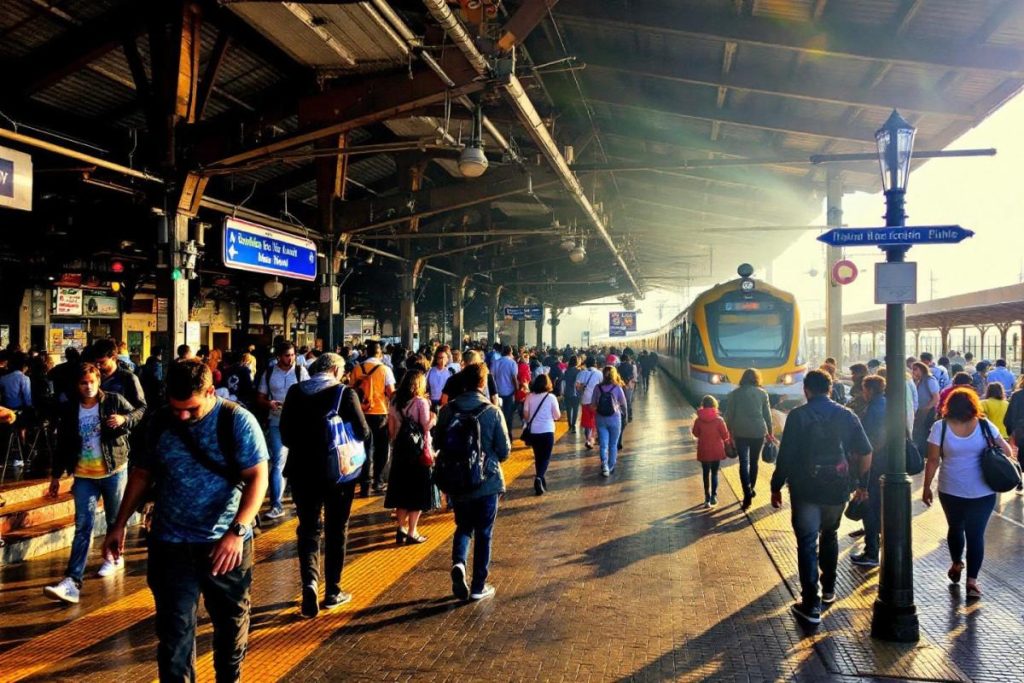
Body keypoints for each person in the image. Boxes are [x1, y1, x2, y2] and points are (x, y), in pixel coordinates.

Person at [103, 359, 268, 682]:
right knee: (173, 633)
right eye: (176, 407)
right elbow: (141, 473)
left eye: (190, 409)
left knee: (230, 626)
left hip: (225, 545)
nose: (182, 415)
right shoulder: (160, 420)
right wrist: (119, 523)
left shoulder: (236, 421)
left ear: (210, 391)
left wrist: (238, 531)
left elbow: (257, 477)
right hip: (170, 544)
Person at [770, 369, 872, 625]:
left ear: (806, 390)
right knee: (830, 535)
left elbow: (786, 456)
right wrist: (862, 484)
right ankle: (829, 589)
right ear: (830, 389)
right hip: (838, 488)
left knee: (807, 542)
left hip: (805, 489)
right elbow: (866, 450)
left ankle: (810, 604)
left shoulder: (798, 416)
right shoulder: (846, 415)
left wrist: (776, 485)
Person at [280, 353, 369, 618]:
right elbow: (364, 432)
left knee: (308, 530)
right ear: (333, 370)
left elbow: (285, 433)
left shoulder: (296, 392)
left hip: (300, 471)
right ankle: (333, 590)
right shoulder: (344, 393)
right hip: (338, 474)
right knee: (336, 529)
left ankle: (309, 583)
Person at [42, 364, 138, 604]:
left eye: (92, 382)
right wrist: (56, 476)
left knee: (115, 520)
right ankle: (72, 581)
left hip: (113, 470)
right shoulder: (71, 410)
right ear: (78, 385)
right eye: (83, 383)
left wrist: (124, 419)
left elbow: (141, 411)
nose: (88, 386)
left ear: (98, 381)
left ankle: (114, 558)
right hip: (84, 475)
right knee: (83, 525)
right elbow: (63, 444)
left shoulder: (114, 401)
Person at [924, 387, 1012, 599]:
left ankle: (956, 563)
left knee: (955, 528)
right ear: (974, 405)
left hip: (950, 489)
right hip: (983, 491)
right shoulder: (984, 425)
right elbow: (1008, 452)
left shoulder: (940, 427)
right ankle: (972, 582)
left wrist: (927, 487)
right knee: (976, 535)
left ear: (949, 405)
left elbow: (933, 460)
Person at [435, 363, 510, 602]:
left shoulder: (448, 410)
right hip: (487, 482)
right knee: (484, 533)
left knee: (463, 527)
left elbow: (437, 442)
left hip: (458, 480)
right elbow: (505, 450)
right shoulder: (492, 411)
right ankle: (479, 585)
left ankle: (459, 563)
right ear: (483, 383)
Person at [257, 342, 309, 519]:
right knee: (278, 461)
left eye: (293, 354)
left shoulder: (300, 371)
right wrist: (269, 403)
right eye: (287, 355)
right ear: (279, 356)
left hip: (299, 423)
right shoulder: (269, 373)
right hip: (276, 422)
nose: (291, 358)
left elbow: (310, 393)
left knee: (300, 462)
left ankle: (299, 499)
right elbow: (261, 397)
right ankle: (276, 505)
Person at [386, 367, 437, 545]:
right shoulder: (421, 402)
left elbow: (391, 431)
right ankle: (412, 531)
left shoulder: (394, 401)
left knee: (401, 492)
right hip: (418, 454)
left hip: (400, 453)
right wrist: (434, 418)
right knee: (417, 493)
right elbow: (425, 426)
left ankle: (400, 528)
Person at [350, 340, 397, 496]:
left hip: (361, 413)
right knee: (381, 448)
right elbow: (391, 393)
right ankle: (378, 481)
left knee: (365, 448)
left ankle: (365, 485)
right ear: (380, 353)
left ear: (366, 353)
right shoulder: (385, 370)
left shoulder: (357, 368)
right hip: (380, 413)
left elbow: (351, 391)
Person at [725, 368, 775, 510]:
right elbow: (768, 416)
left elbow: (729, 415)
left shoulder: (734, 394)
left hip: (740, 431)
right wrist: (770, 432)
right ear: (756, 379)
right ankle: (751, 488)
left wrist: (729, 432)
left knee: (743, 463)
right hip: (758, 431)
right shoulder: (762, 393)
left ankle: (746, 492)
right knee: (754, 462)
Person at [851, 375, 886, 568]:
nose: (863, 393)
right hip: (887, 466)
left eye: (865, 390)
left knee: (869, 507)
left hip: (874, 465)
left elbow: (869, 442)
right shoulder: (888, 404)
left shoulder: (873, 410)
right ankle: (876, 545)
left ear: (870, 390)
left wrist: (861, 460)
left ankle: (871, 551)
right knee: (879, 507)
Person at [522, 373, 560, 495]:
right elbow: (557, 416)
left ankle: (541, 480)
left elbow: (526, 416)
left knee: (538, 456)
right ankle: (539, 478)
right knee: (546, 457)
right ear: (548, 384)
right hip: (548, 431)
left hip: (534, 431)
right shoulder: (551, 397)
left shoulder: (529, 397)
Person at [691, 395, 730, 508]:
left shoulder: (698, 420)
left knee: (705, 473)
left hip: (704, 450)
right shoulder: (719, 420)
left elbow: (695, 433)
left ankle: (706, 497)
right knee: (714, 473)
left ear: (703, 405)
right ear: (714, 405)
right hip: (716, 450)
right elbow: (725, 435)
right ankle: (713, 496)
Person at [591, 366, 628, 477]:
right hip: (615, 419)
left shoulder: (597, 388)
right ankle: (610, 466)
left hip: (601, 419)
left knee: (603, 444)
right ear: (614, 374)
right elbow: (624, 404)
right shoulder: (617, 388)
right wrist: (625, 416)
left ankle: (604, 465)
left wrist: (599, 409)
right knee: (613, 445)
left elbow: (592, 405)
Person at [912, 360, 940, 455]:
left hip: (928, 411)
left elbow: (936, 397)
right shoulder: (919, 381)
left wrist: (926, 409)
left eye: (915, 369)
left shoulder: (929, 380)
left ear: (922, 369)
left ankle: (926, 452)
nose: (913, 372)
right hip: (921, 411)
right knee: (920, 432)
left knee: (926, 432)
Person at [576, 356, 602, 450]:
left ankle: (588, 440)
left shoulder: (582, 373)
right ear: (595, 364)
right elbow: (602, 386)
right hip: (596, 401)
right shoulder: (599, 373)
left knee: (587, 422)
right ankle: (593, 439)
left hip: (585, 400)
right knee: (596, 420)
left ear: (586, 364)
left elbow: (577, 387)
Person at [492, 345, 519, 431]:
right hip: (509, 393)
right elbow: (514, 378)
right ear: (510, 352)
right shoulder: (512, 363)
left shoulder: (496, 362)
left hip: (497, 392)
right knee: (508, 415)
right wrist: (517, 389)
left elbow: (491, 377)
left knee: (497, 414)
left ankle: (498, 432)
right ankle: (507, 434)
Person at [561, 355, 582, 433]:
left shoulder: (566, 371)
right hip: (576, 393)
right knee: (576, 409)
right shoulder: (578, 371)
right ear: (576, 362)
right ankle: (573, 426)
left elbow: (563, 381)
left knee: (569, 410)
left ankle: (569, 425)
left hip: (567, 392)